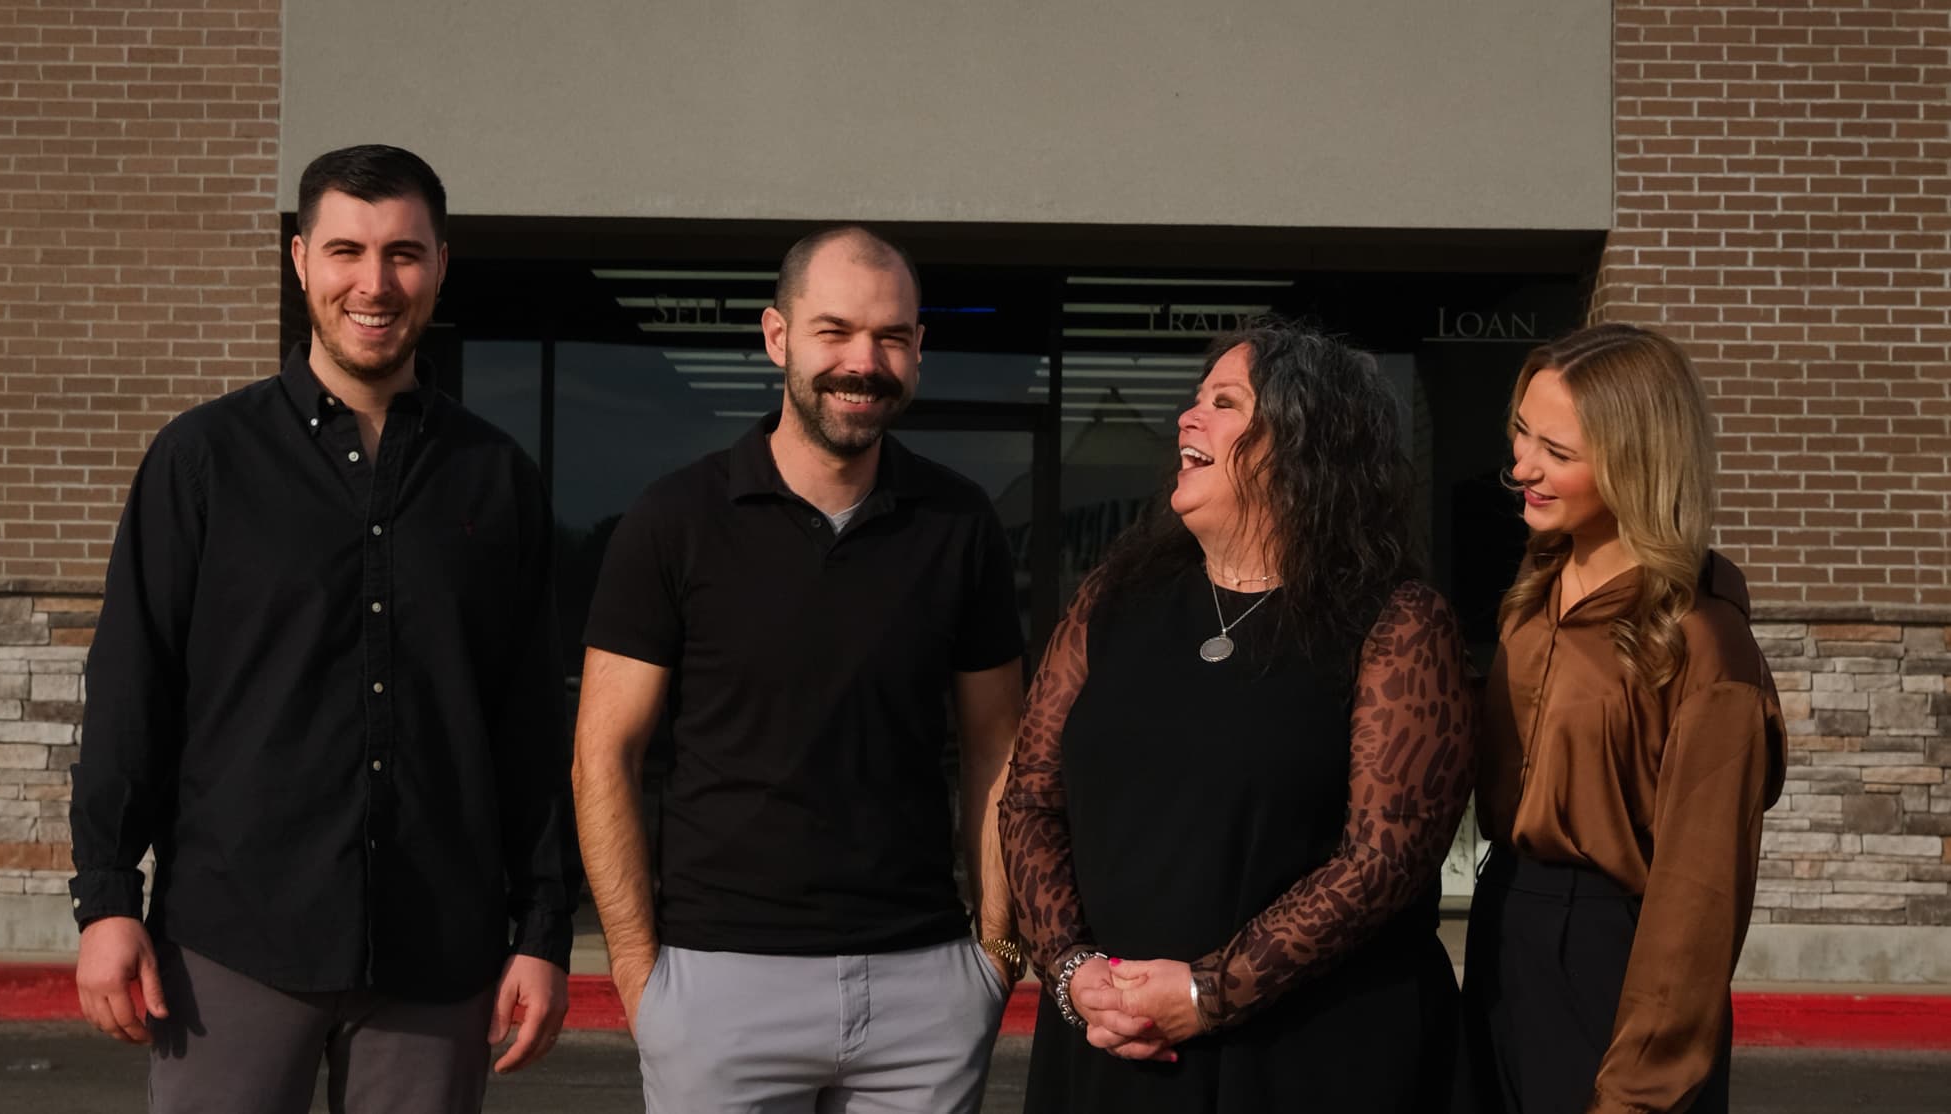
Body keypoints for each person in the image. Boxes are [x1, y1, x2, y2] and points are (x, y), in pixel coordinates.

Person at [69, 144, 581, 1113]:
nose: (374, 283)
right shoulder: (202, 461)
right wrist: (105, 899)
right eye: (346, 250)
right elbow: (133, 686)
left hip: (440, 950)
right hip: (234, 938)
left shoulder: (498, 480)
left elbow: (526, 727)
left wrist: (543, 926)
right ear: (301, 261)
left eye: (403, 253)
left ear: (439, 263)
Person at [572, 225, 1027, 1113]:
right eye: (836, 331)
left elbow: (998, 747)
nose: (864, 361)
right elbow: (603, 754)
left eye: (892, 337)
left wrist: (995, 953)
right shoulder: (675, 520)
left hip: (921, 985)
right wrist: (636, 969)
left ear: (918, 350)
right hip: (721, 984)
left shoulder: (958, 522)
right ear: (778, 337)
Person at [1001, 318, 1478, 1113]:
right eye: (1195, 401)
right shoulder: (1113, 600)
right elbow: (1029, 797)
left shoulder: (1396, 623)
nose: (1188, 419)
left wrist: (1207, 992)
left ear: (1302, 443)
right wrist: (1072, 972)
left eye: (1224, 402)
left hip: (1310, 1059)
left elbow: (1382, 859)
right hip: (1111, 1047)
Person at [1464, 323, 1788, 1114]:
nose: (1522, 468)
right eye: (1521, 433)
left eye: (1557, 452)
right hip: (1502, 926)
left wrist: (1641, 1091)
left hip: (1610, 961)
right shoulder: (1533, 594)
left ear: (1635, 462)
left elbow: (1697, 899)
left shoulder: (1705, 644)